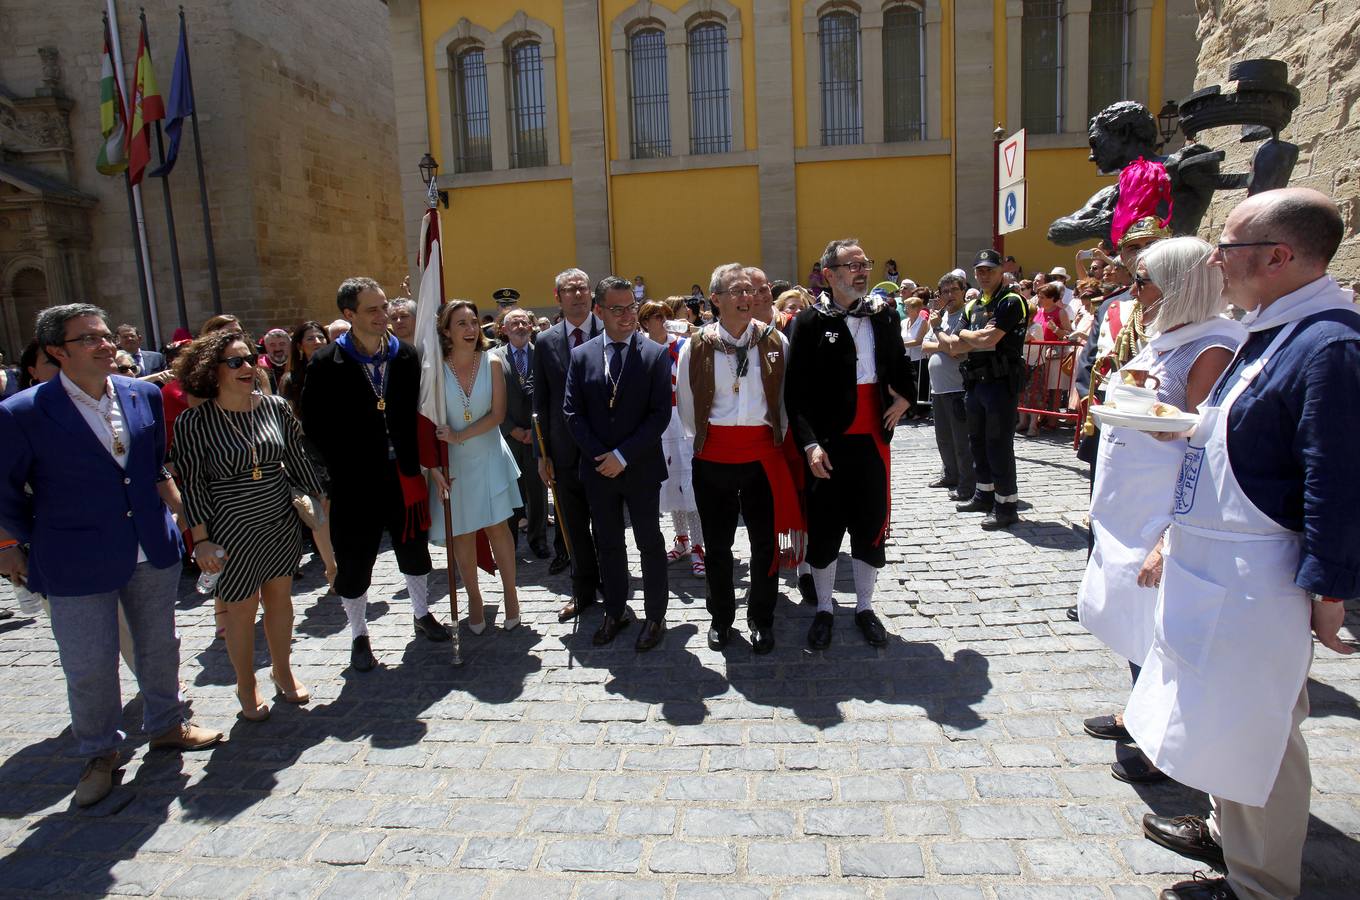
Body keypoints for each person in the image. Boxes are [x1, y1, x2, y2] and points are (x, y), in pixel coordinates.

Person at [1122, 190, 1359, 900]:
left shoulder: (1330, 343)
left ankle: (1259, 885)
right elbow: (1238, 440)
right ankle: (1231, 833)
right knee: (1217, 714)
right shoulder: (1272, 326)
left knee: (1258, 732)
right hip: (1217, 561)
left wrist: (1330, 591)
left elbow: (1337, 475)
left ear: (1279, 257)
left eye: (1227, 248)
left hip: (1263, 575)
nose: (1216, 262)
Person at [0, 303, 222, 808]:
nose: (107, 345)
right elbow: (4, 489)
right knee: (90, 663)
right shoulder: (24, 412)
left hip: (149, 544)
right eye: (90, 339)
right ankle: (100, 753)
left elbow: (152, 468)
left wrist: (185, 521)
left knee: (159, 643)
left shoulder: (141, 393)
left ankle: (167, 724)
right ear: (57, 350)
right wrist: (15, 543)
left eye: (106, 336)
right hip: (73, 554)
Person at [1076, 236, 1245, 787]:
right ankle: (1137, 710)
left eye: (1144, 281)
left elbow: (1203, 445)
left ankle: (1161, 743)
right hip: (1131, 507)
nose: (1135, 291)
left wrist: (1170, 537)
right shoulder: (1172, 335)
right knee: (1133, 619)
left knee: (1163, 627)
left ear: (1178, 285)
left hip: (1165, 512)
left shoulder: (1214, 344)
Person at [171, 331, 325, 720]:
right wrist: (201, 539)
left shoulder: (274, 407)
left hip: (277, 517)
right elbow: (192, 483)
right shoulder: (194, 421)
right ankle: (245, 683)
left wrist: (317, 497)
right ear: (212, 371)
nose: (247, 367)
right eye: (235, 362)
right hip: (229, 526)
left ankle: (283, 671)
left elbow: (298, 456)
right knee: (240, 610)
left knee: (280, 602)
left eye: (250, 358)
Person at [302, 277, 448, 672]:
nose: (385, 315)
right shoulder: (326, 362)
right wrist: (333, 472)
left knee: (413, 547)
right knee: (355, 557)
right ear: (349, 315)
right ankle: (359, 634)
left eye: (385, 307)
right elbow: (313, 427)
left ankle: (422, 613)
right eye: (373, 310)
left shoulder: (405, 356)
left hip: (403, 474)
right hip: (354, 482)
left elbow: (420, 412)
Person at [786, 239, 913, 650]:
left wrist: (905, 397)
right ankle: (824, 607)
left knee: (869, 527)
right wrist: (809, 446)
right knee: (824, 530)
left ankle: (864, 607)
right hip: (828, 444)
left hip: (873, 442)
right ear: (829, 274)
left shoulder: (884, 316)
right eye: (852, 264)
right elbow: (796, 394)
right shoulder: (807, 322)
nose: (862, 271)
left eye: (865, 263)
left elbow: (899, 366)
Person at [678, 263, 802, 654]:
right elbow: (685, 403)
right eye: (737, 291)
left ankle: (761, 619)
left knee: (764, 544)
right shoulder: (695, 345)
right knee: (718, 545)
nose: (747, 297)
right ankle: (721, 617)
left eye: (750, 290)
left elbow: (784, 402)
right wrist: (707, 441)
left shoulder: (775, 341)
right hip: (713, 457)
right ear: (715, 299)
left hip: (762, 457)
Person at [563, 276, 672, 650]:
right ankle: (615, 610)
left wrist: (623, 455)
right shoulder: (581, 355)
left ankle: (655, 615)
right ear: (599, 311)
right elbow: (572, 412)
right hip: (598, 470)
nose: (627, 316)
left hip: (640, 467)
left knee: (649, 542)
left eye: (631, 307)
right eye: (617, 309)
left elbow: (659, 415)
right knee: (607, 542)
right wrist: (601, 456)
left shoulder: (655, 354)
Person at [429, 301, 522, 633]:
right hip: (454, 464)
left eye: (472, 322)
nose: (470, 329)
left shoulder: (493, 361)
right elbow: (428, 419)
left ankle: (511, 595)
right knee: (463, 532)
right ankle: (474, 597)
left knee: (499, 528)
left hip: (488, 455)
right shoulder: (435, 369)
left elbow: (498, 414)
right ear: (446, 331)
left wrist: (460, 435)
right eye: (461, 324)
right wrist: (439, 455)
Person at [935, 249, 1029, 529]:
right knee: (976, 441)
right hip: (975, 382)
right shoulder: (972, 306)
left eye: (990, 269)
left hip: (1000, 382)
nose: (984, 275)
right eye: (980, 270)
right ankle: (983, 495)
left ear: (1001, 271)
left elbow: (989, 339)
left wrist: (967, 336)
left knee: (998, 445)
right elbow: (954, 347)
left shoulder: (1011, 301)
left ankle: (1006, 506)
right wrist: (971, 337)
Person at [533, 268, 604, 614]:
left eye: (582, 288)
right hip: (562, 451)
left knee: (606, 524)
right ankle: (583, 588)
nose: (577, 295)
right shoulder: (545, 342)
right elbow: (541, 402)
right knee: (573, 526)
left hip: (604, 449)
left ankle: (612, 583)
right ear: (557, 295)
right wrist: (540, 453)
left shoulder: (610, 332)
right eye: (569, 290)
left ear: (591, 294)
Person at [639, 300, 705, 576]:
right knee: (669, 481)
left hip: (683, 417)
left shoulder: (683, 344)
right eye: (656, 316)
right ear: (644, 322)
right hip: (658, 420)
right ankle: (681, 539)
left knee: (688, 481)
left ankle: (699, 545)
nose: (662, 320)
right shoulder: (640, 347)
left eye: (665, 314)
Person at [278, 320, 337, 589]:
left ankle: (346, 561)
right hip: (308, 451)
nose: (317, 342)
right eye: (310, 338)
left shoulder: (341, 370)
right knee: (320, 509)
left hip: (339, 448)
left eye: (320, 337)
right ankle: (332, 568)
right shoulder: (292, 380)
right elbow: (289, 423)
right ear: (300, 346)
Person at [493, 307, 549, 559]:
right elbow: (490, 400)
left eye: (524, 322)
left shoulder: (543, 354)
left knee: (538, 492)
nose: (520, 326)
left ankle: (538, 539)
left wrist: (536, 431)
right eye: (514, 323)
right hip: (508, 438)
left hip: (537, 436)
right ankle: (510, 543)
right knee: (511, 493)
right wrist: (511, 429)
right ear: (504, 329)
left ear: (531, 326)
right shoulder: (493, 358)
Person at [922, 274, 974, 501]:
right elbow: (925, 346)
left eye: (954, 290)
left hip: (958, 388)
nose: (950, 295)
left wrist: (941, 342)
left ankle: (966, 483)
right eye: (945, 291)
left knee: (962, 440)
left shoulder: (967, 316)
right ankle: (950, 474)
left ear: (963, 290)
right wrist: (944, 344)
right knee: (943, 438)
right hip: (938, 389)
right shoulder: (940, 317)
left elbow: (959, 351)